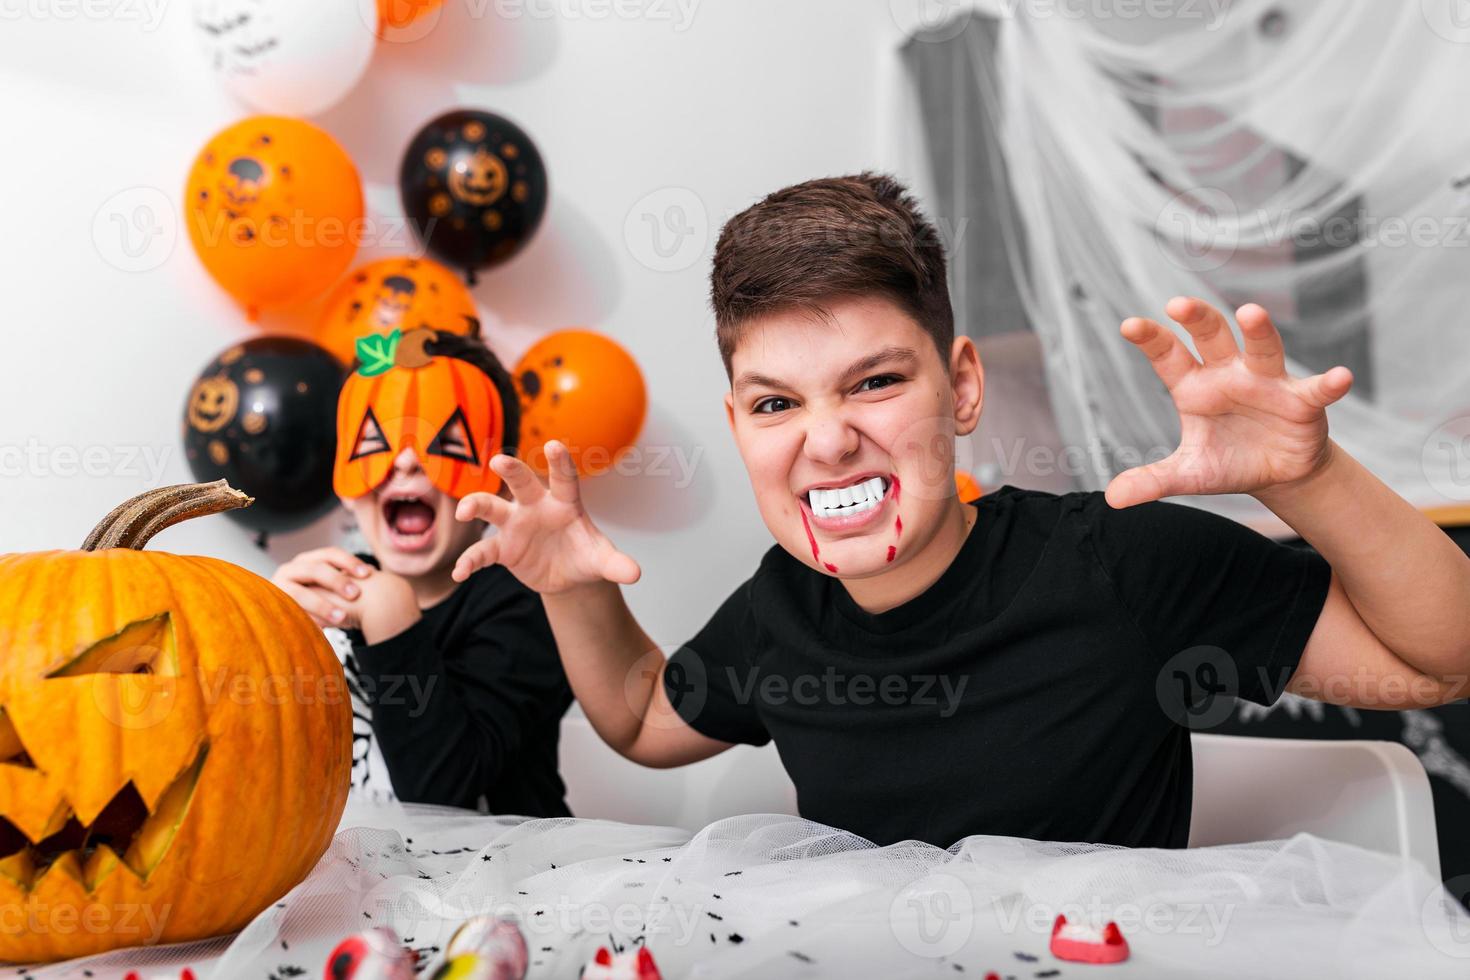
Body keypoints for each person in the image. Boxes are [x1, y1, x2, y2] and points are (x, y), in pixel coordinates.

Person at [452, 173, 1470, 847]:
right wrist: (570, 582)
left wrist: (1307, 474)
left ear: (963, 386)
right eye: (776, 403)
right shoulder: (779, 610)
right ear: (738, 422)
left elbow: (1441, 658)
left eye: (874, 383)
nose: (827, 438)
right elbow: (636, 714)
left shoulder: (1118, 559)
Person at [273, 328, 573, 816]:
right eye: (376, 438)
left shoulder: (525, 604)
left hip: (490, 878)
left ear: (497, 482)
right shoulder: (331, 585)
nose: (408, 461)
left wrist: (389, 613)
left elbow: (442, 796)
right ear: (345, 477)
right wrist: (265, 627)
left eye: (447, 442)